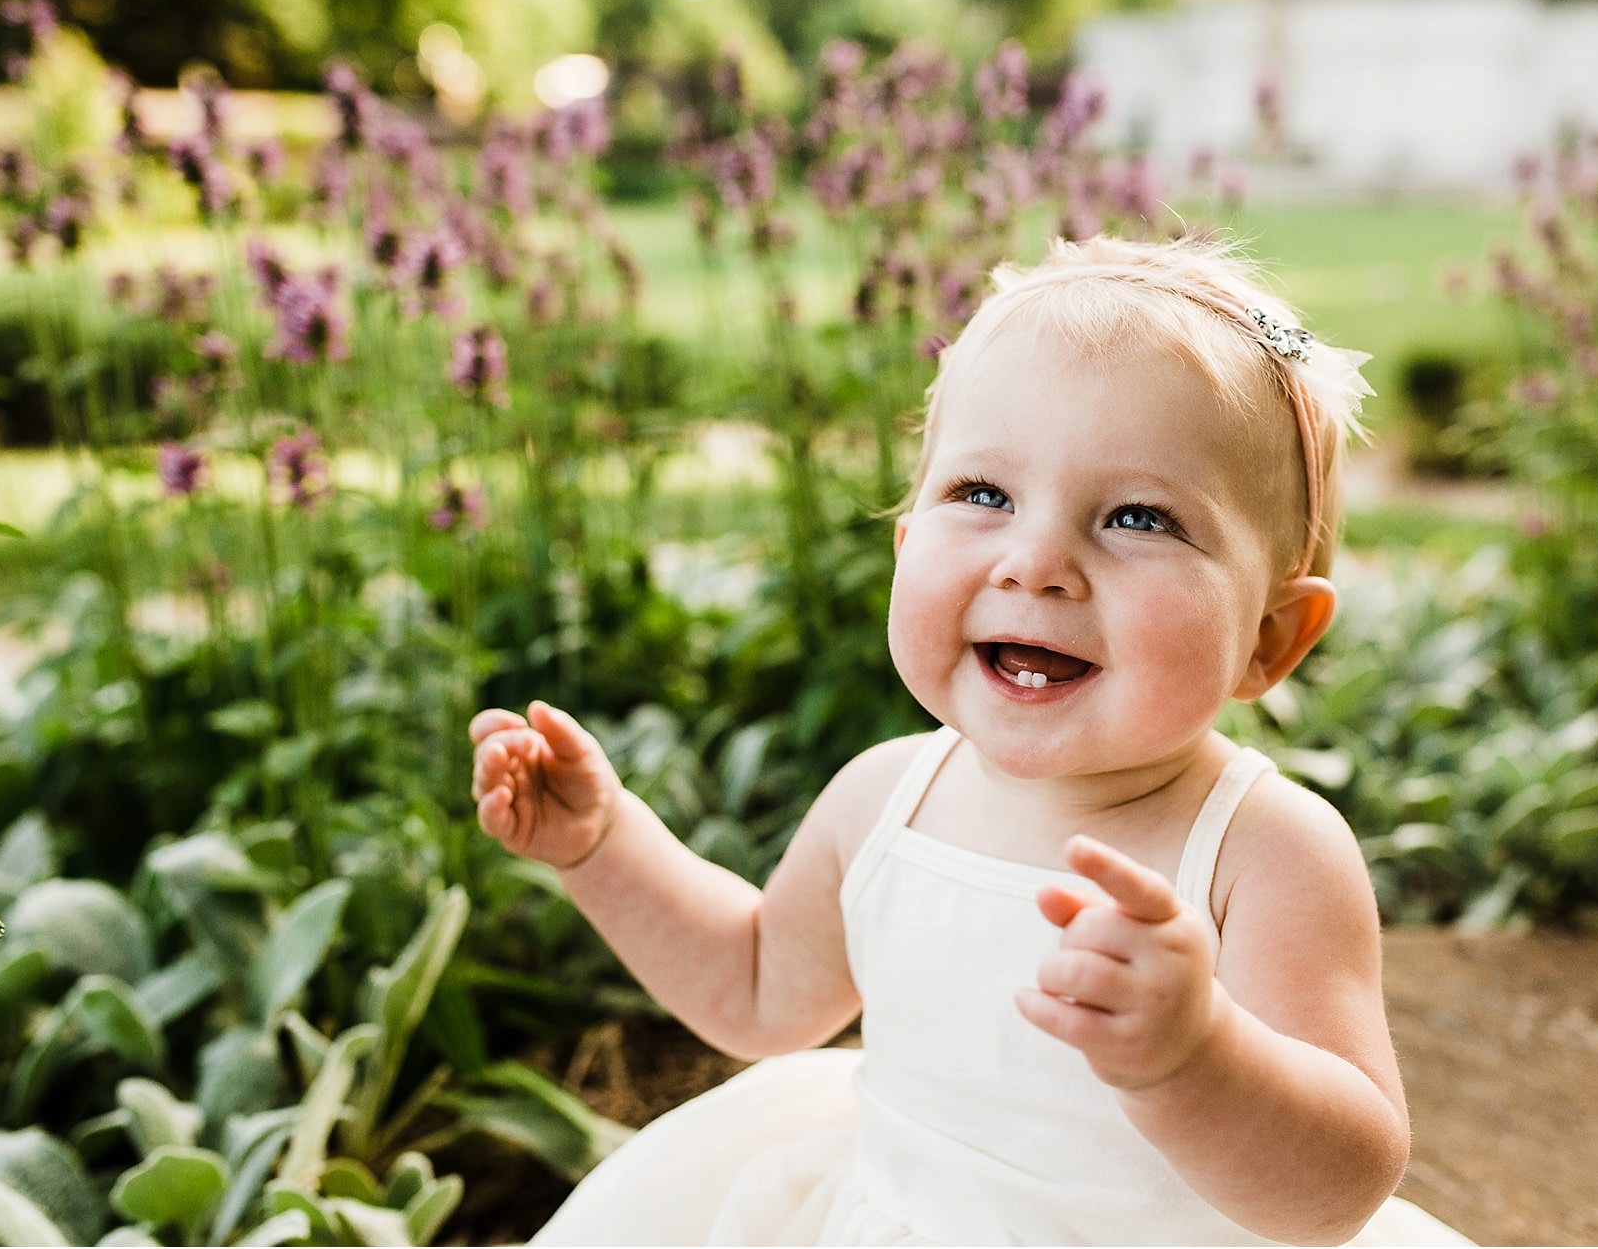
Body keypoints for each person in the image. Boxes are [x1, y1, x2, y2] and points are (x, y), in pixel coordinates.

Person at [470, 235, 1474, 1246]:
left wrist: (1197, 1054)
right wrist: (603, 848)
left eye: (1136, 516)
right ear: (906, 542)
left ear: (1268, 636)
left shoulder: (1263, 852)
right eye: (982, 495)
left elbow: (1335, 1191)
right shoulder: (884, 799)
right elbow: (756, 988)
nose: (1035, 561)